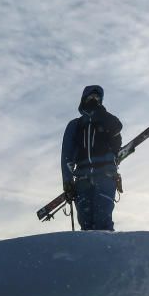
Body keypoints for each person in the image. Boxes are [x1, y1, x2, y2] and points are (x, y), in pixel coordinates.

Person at [61, 85, 123, 231]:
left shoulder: (107, 121)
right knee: (86, 225)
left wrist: (101, 114)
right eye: (91, 97)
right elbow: (66, 155)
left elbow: (117, 129)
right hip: (83, 180)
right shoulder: (75, 125)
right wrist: (67, 182)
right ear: (84, 99)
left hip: (105, 177)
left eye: (97, 98)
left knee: (102, 223)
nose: (94, 100)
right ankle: (89, 254)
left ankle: (106, 252)